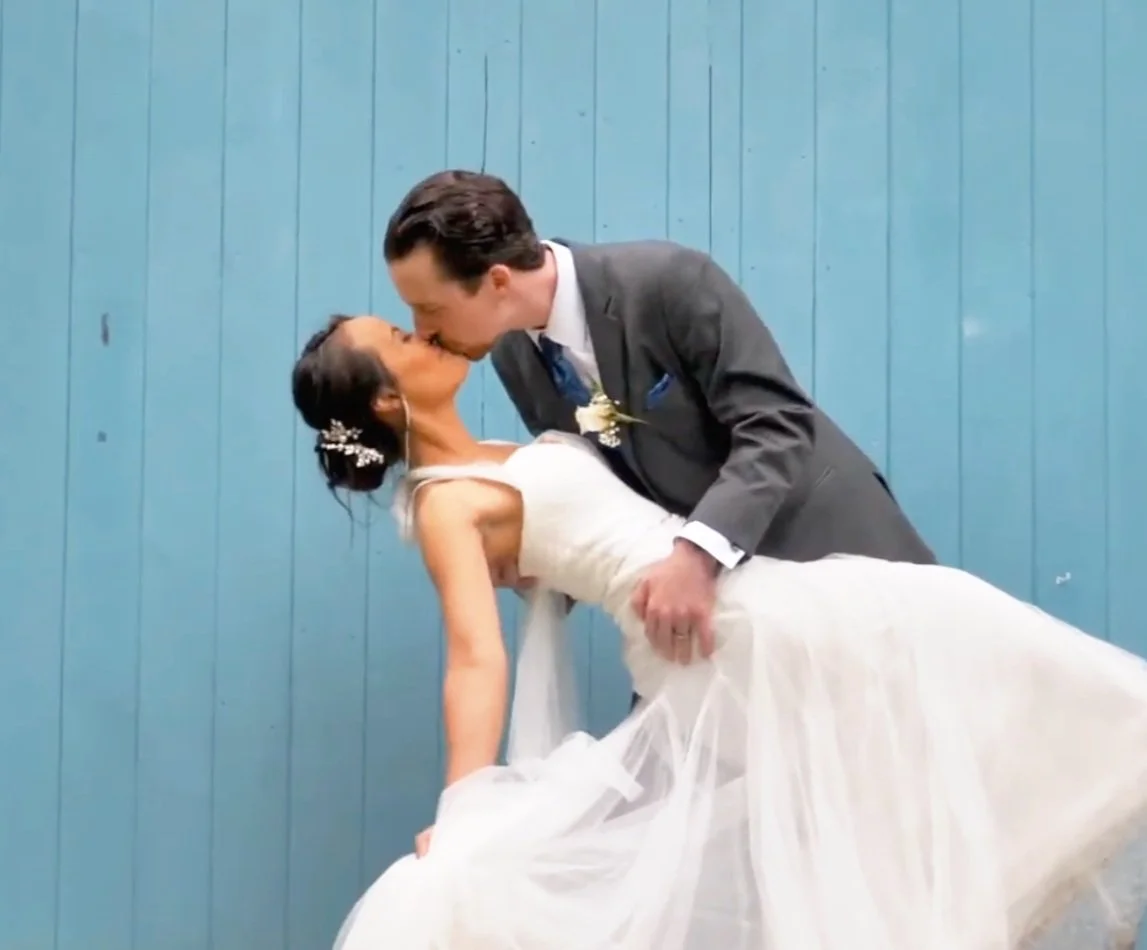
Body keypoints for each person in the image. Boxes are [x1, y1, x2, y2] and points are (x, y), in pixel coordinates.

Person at [292, 312, 1147, 950]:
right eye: (401, 340)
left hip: (739, 610)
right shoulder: (445, 505)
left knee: (879, 787)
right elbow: (474, 658)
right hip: (719, 640)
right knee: (939, 650)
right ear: (385, 395)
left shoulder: (484, 456)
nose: (425, 335)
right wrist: (463, 805)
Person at [381, 169, 936, 682]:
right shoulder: (513, 357)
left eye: (429, 308)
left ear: (497, 280)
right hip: (724, 616)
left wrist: (696, 557)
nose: (421, 331)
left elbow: (777, 422)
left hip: (830, 552)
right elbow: (603, 484)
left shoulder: (669, 281)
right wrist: (547, 570)